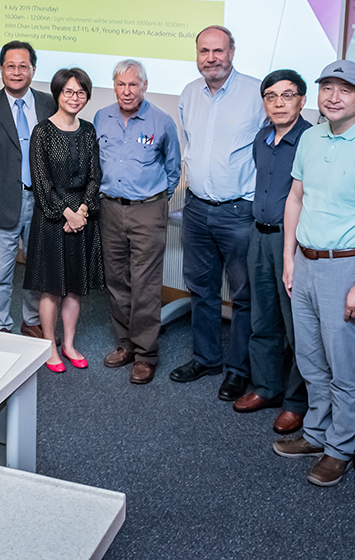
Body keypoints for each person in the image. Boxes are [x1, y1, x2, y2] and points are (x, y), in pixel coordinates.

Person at [273, 59, 355, 488]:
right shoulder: (311, 136)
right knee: (310, 358)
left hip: (344, 267)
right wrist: (289, 259)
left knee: (344, 364)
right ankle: (316, 433)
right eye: (328, 87)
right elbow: (295, 199)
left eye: (345, 89)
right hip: (304, 263)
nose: (334, 96)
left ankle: (340, 448)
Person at [170, 25, 265, 401]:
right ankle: (206, 357)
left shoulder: (256, 94)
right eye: (204, 51)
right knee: (202, 289)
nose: (211, 58)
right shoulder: (189, 94)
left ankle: (239, 369)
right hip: (195, 208)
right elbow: (190, 146)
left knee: (243, 295)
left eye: (218, 51)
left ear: (232, 51)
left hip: (239, 212)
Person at [235, 69, 312, 434]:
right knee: (262, 318)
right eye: (271, 97)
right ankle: (267, 387)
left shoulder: (312, 140)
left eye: (287, 95)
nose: (279, 103)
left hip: (293, 241)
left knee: (297, 326)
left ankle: (297, 402)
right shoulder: (261, 137)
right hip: (259, 236)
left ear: (302, 99)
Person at [96, 59, 180, 384]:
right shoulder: (102, 118)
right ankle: (125, 344)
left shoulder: (162, 121)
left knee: (144, 284)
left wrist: (156, 202)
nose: (127, 91)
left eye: (134, 84)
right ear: (114, 86)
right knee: (116, 280)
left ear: (144, 86)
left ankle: (146, 354)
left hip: (148, 209)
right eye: (121, 84)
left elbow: (173, 169)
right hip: (110, 210)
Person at [0, 41, 55, 335]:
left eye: (23, 66)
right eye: (10, 66)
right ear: (2, 69)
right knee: (0, 274)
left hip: (42, 205)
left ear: (33, 69)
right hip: (1, 204)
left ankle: (31, 321)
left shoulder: (48, 104)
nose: (16, 72)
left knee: (36, 271)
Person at [24, 68, 104, 372]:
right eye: (69, 91)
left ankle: (68, 344)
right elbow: (41, 181)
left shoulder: (88, 131)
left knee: (75, 287)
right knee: (52, 287)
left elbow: (96, 176)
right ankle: (49, 346)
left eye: (81, 92)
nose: (75, 97)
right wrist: (66, 213)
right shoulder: (42, 132)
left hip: (83, 217)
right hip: (52, 217)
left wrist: (83, 210)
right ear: (58, 93)